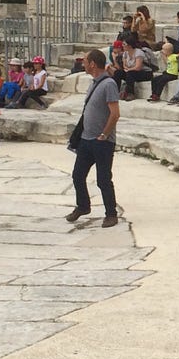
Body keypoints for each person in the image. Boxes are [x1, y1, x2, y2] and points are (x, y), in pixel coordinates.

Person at [67, 49, 120, 228]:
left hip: (102, 141)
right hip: (86, 139)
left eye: (85, 61)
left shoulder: (109, 84)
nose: (83, 64)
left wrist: (104, 134)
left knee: (103, 179)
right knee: (78, 175)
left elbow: (115, 113)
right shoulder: (93, 83)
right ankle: (83, 206)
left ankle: (111, 214)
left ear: (92, 64)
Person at [113, 33, 152, 100]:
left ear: (130, 45)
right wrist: (126, 68)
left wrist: (128, 69)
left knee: (130, 73)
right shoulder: (125, 53)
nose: (123, 46)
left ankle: (130, 93)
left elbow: (138, 67)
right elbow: (124, 65)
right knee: (117, 73)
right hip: (132, 72)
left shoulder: (138, 53)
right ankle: (115, 91)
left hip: (144, 73)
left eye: (124, 44)